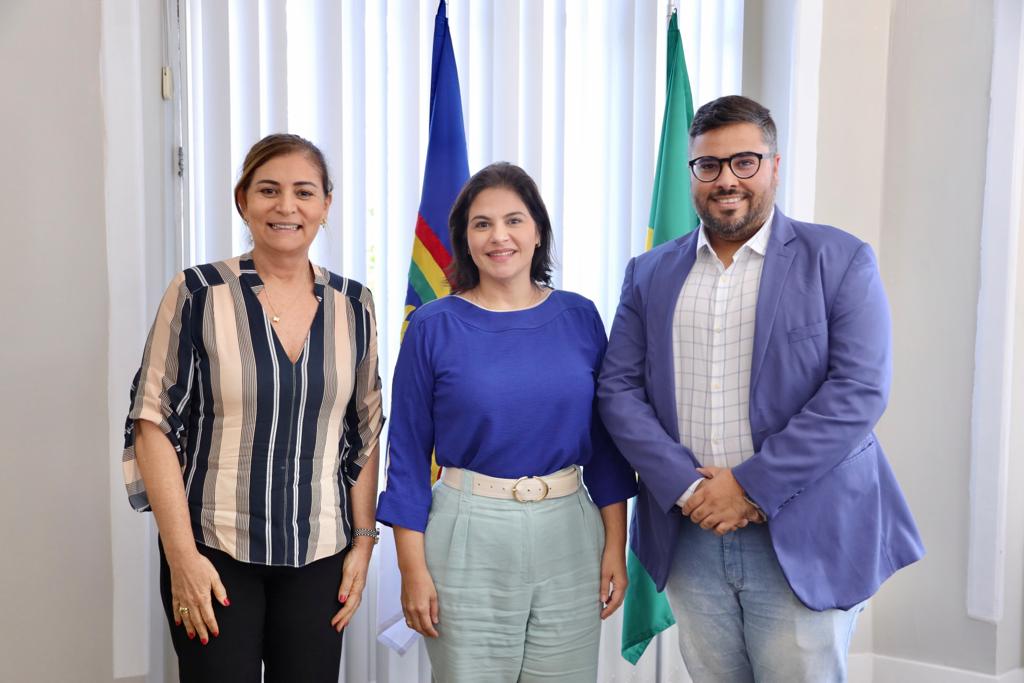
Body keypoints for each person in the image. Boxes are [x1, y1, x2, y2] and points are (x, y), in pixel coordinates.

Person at [598, 96, 924, 682]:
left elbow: (858, 390)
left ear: (774, 165)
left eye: (744, 162)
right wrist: (685, 486)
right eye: (709, 165)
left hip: (805, 529)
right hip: (689, 529)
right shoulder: (648, 273)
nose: (727, 179)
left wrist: (748, 487)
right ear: (692, 173)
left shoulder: (839, 259)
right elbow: (617, 391)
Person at [122, 133, 384, 682]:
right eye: (269, 190)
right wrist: (181, 556)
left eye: (304, 192)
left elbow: (363, 431)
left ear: (325, 206)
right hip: (213, 551)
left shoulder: (354, 304)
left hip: (320, 553)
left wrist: (363, 543)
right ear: (243, 200)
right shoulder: (197, 292)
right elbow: (152, 423)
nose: (286, 206)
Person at [377, 162, 638, 682]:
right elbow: (406, 456)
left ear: (538, 232)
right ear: (465, 240)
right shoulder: (432, 326)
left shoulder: (580, 317)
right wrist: (412, 569)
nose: (499, 236)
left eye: (514, 220)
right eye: (482, 224)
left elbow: (607, 446)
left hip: (570, 534)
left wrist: (615, 545)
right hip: (467, 533)